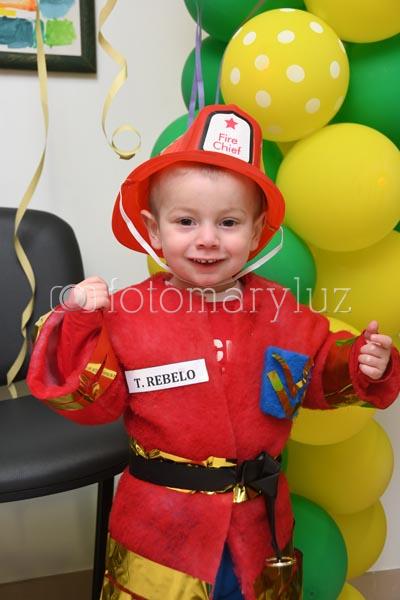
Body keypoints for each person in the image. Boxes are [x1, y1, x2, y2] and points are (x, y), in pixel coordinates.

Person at [27, 104, 400, 600]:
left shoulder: (280, 312)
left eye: (228, 222)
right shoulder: (127, 315)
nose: (207, 239)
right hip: (162, 530)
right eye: (185, 221)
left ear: (256, 231)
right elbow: (92, 405)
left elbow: (316, 372)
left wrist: (361, 365)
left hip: (259, 528)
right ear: (154, 230)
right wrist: (77, 323)